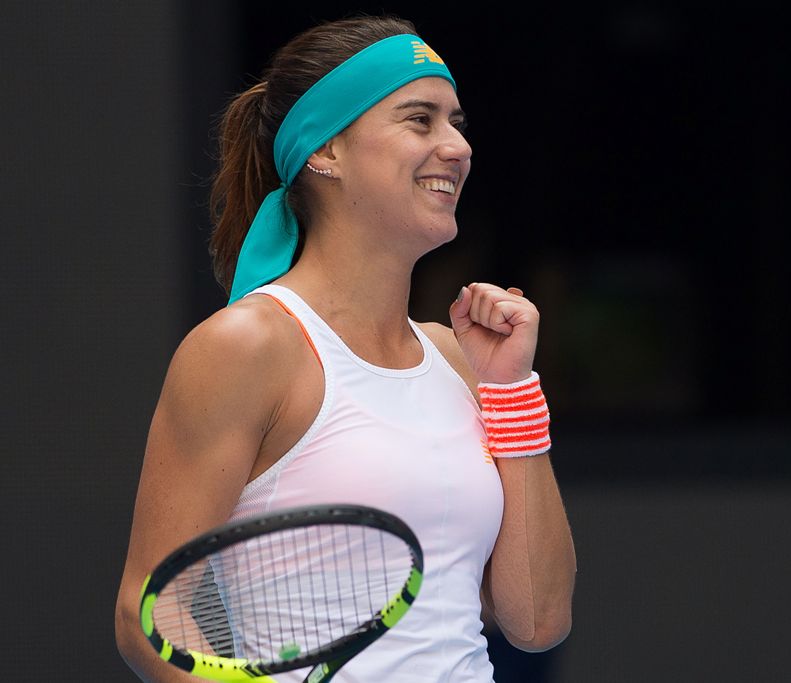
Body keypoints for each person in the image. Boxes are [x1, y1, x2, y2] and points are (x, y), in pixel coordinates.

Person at [113, 14, 576, 683]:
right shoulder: (247, 346)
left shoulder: (458, 359)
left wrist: (511, 391)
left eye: (457, 122)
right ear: (326, 147)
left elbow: (537, 620)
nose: (456, 146)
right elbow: (148, 613)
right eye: (420, 119)